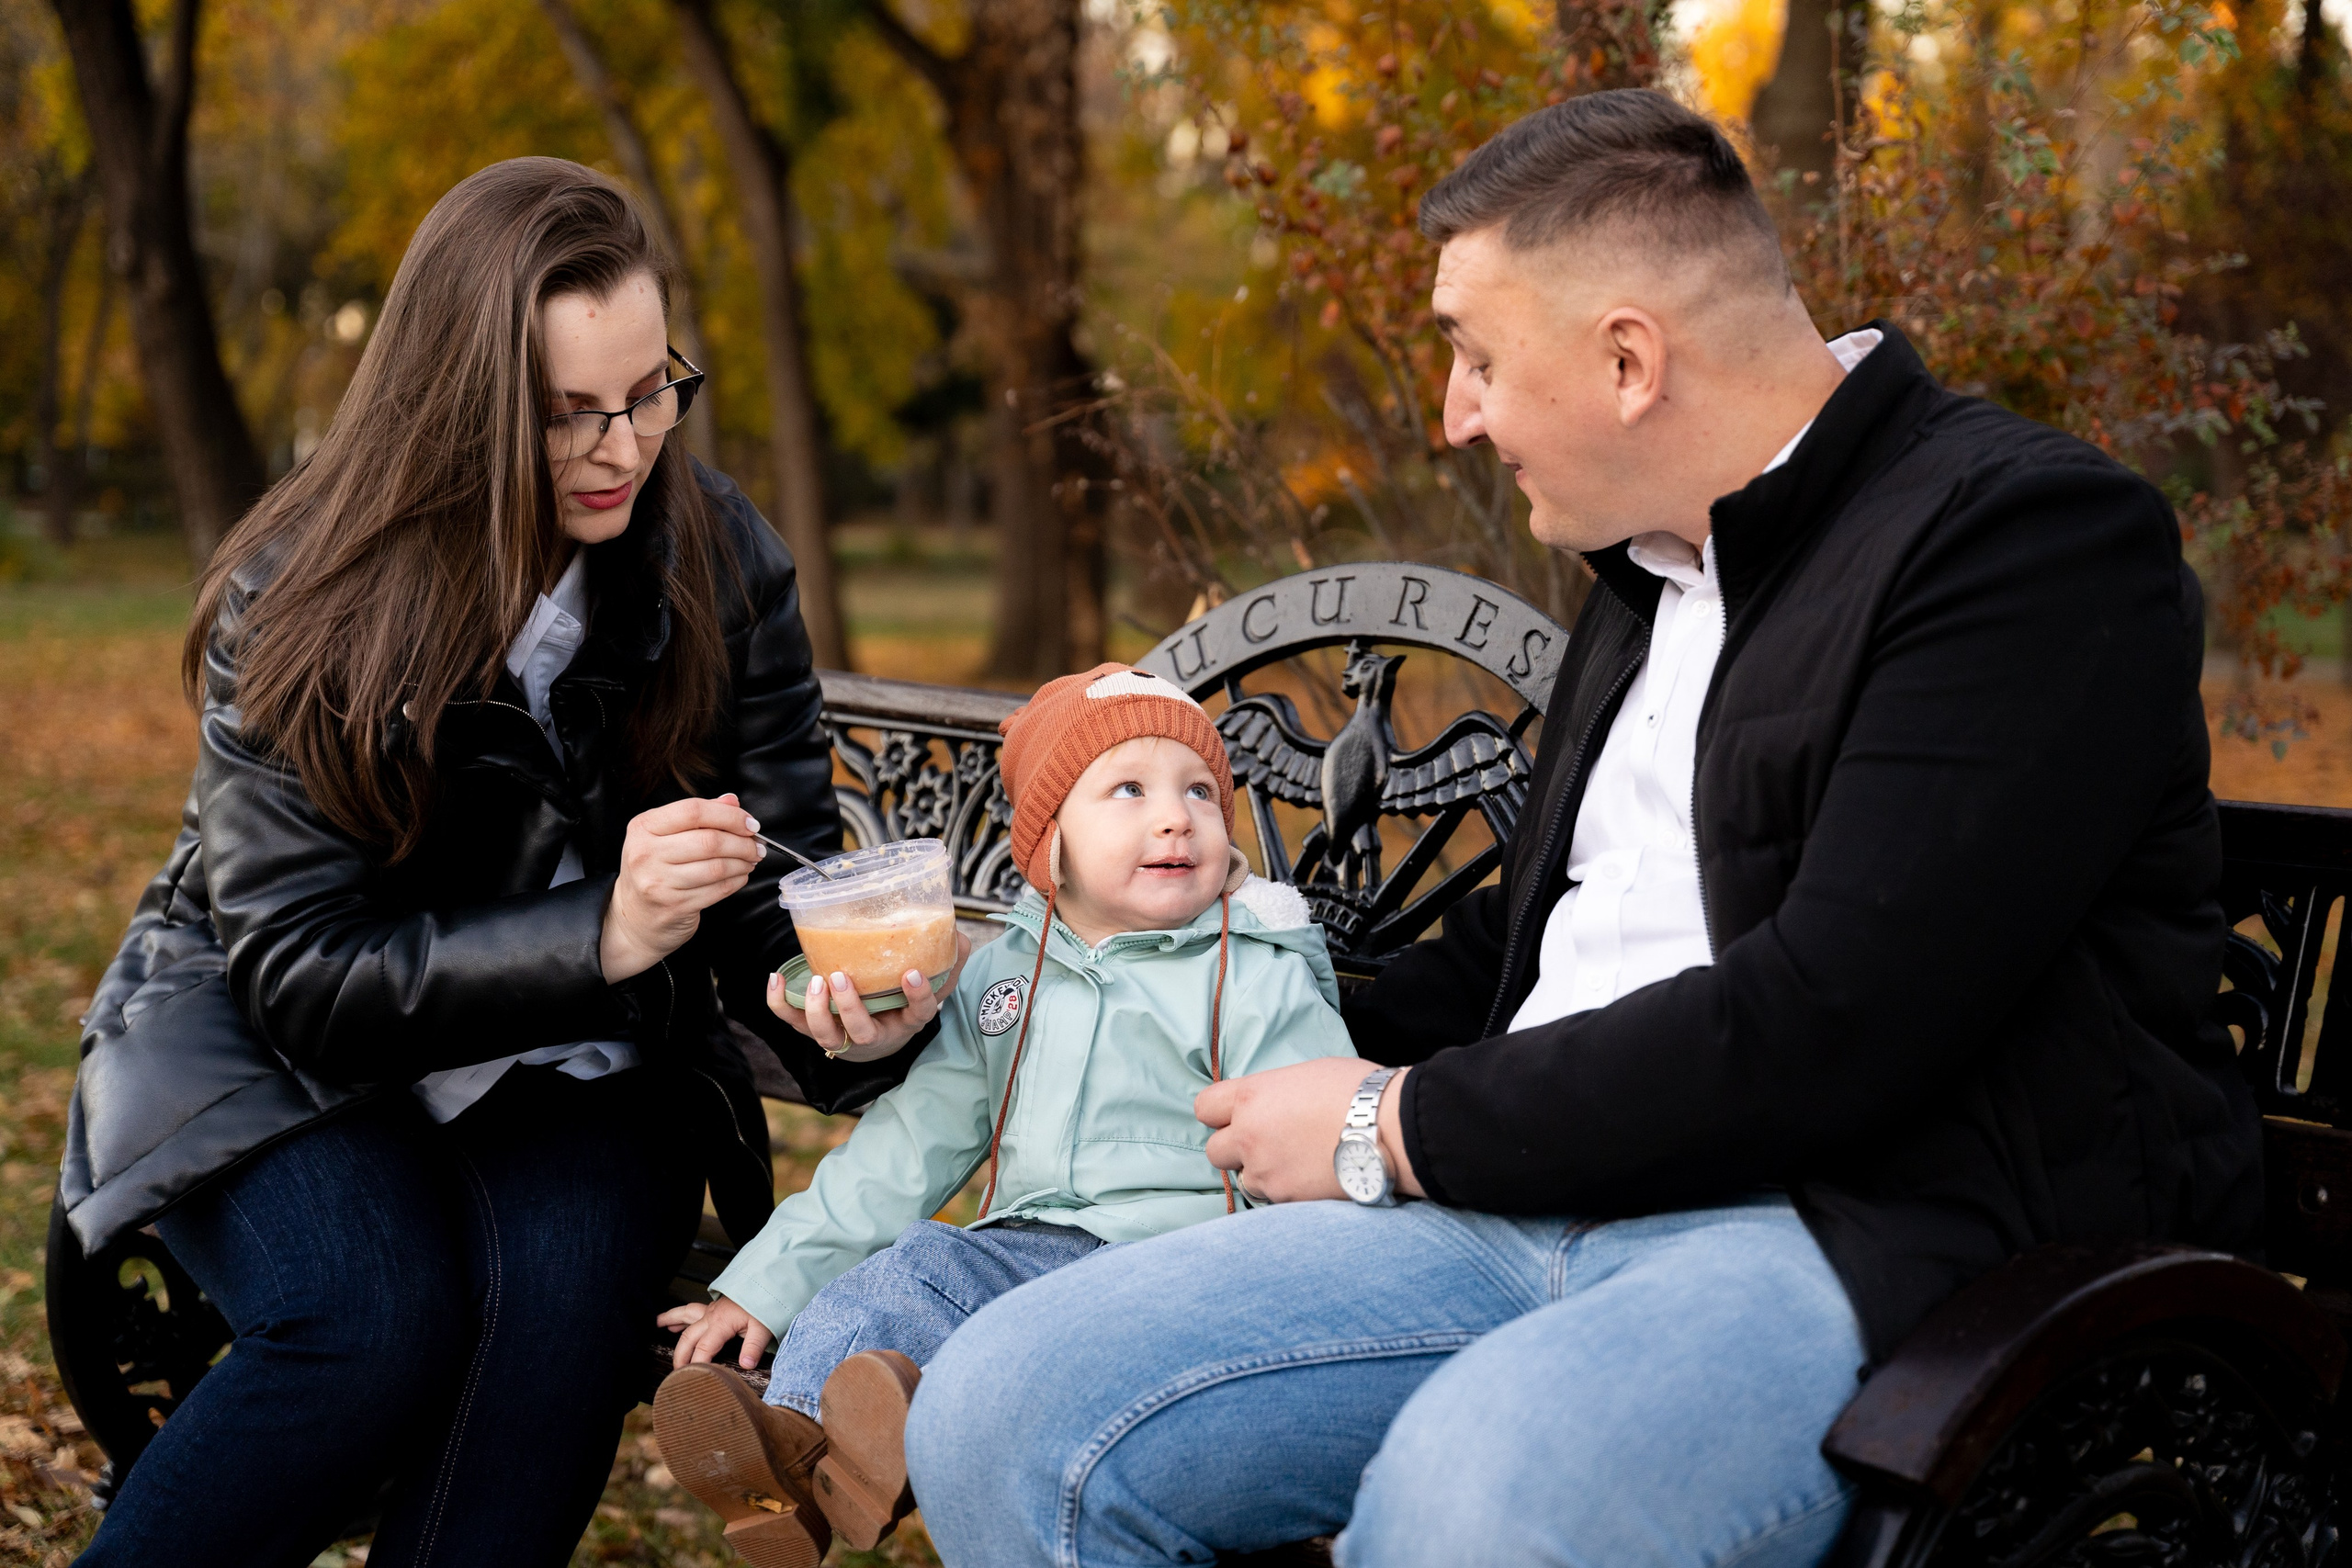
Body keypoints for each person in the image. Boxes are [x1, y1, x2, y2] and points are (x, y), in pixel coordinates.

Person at [899, 89, 2265, 1566]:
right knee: (1003, 1403)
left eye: (1478, 358)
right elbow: (1541, 936)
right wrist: (1217, 1003)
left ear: (1629, 359)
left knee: (1473, 1507)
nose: (1456, 413)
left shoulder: (2023, 544)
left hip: (1851, 1242)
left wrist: (1388, 1123)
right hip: (1518, 1191)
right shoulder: (1656, 571)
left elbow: (1837, 1016)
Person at [60, 157, 956, 1568]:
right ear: (459, 405)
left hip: (584, 1053)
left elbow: (780, 892)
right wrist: (599, 926)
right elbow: (296, 970)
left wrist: (823, 998)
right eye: (567, 414)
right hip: (272, 1046)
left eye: (652, 390)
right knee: (373, 1315)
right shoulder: (303, 586)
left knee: (560, 1298)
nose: (622, 448)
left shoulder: (723, 559)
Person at [648, 664, 1357, 1566]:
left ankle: (846, 1445)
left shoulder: (1253, 972)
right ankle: (794, 1457)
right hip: (1025, 1266)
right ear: (1048, 841)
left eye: (1200, 794)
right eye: (1129, 790)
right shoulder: (1006, 980)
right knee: (897, 1277)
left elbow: (1324, 1137)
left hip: (1177, 1275)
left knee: (943, 1293)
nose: (1175, 816)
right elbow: (908, 1146)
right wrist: (766, 1280)